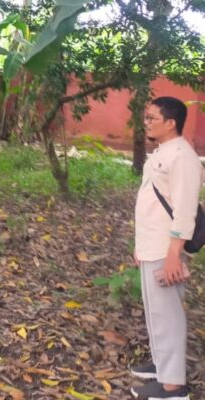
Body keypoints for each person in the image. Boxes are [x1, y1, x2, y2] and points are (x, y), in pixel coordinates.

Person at [130, 97, 200, 400]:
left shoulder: (183, 157)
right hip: (151, 244)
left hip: (165, 248)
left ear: (170, 122)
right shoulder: (165, 152)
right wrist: (139, 245)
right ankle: (161, 365)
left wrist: (174, 254)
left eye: (151, 118)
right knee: (155, 313)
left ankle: (173, 386)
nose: (146, 122)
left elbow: (185, 210)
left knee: (167, 314)